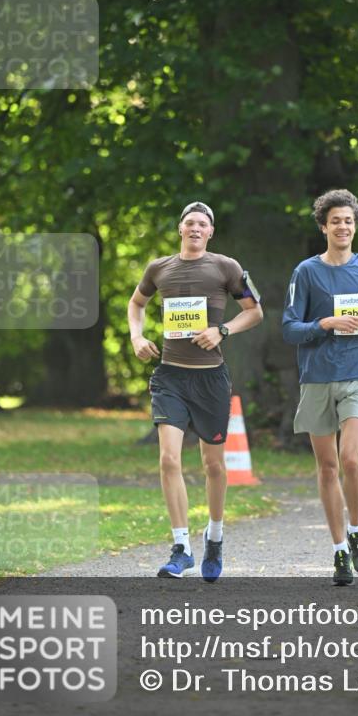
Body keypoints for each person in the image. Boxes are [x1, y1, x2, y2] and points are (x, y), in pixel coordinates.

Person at [128, 201, 263, 582]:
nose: (195, 229)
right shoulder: (159, 268)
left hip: (210, 379)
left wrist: (221, 331)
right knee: (169, 460)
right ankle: (181, 548)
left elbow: (254, 312)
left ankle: (215, 537)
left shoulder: (226, 267)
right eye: (190, 223)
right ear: (180, 229)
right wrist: (137, 336)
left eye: (202, 224)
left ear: (211, 232)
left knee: (213, 465)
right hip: (170, 377)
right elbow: (136, 304)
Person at [282, 189, 358, 586]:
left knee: (350, 459)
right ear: (323, 226)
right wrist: (324, 324)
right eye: (335, 221)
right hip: (316, 377)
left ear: (354, 225)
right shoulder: (307, 272)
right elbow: (289, 327)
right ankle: (339, 551)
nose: (343, 226)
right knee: (327, 467)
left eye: (348, 220)